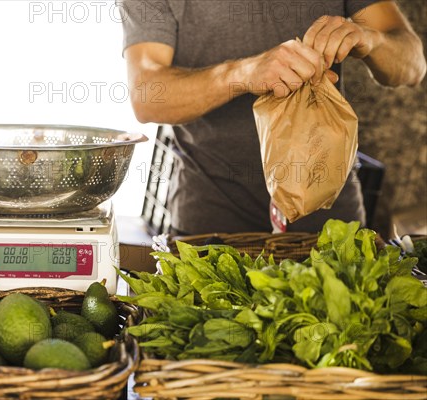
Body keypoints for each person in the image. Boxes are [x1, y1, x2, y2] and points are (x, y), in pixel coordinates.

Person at [119, 0, 426, 234]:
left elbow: (413, 66)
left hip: (330, 224)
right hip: (210, 225)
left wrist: (373, 39)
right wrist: (242, 73)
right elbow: (145, 95)